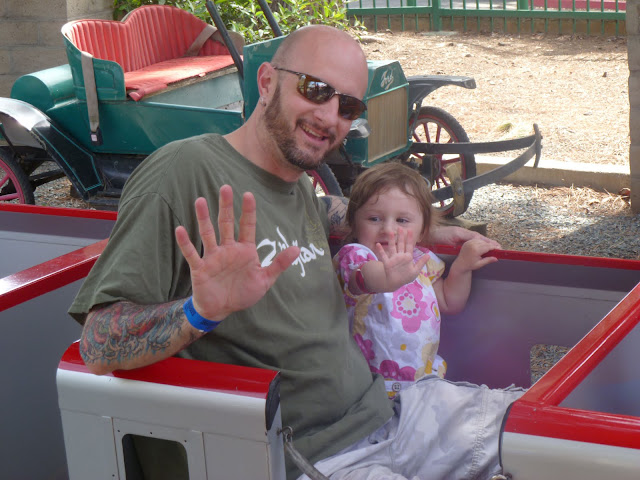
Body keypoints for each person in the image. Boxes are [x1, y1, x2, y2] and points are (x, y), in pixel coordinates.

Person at [69, 24, 522, 480]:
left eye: (348, 106)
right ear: (267, 82)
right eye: (315, 90)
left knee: (544, 433)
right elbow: (98, 343)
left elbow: (333, 212)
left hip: (389, 412)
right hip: (306, 455)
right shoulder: (184, 171)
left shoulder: (297, 184)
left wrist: (427, 228)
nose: (330, 117)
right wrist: (199, 312)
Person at [334, 162, 497, 399]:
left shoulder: (423, 261)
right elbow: (362, 279)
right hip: (366, 388)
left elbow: (449, 302)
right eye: (374, 218)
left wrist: (462, 267)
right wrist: (388, 277)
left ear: (422, 231)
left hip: (422, 384)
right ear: (354, 224)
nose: (388, 229)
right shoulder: (357, 256)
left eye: (402, 220)